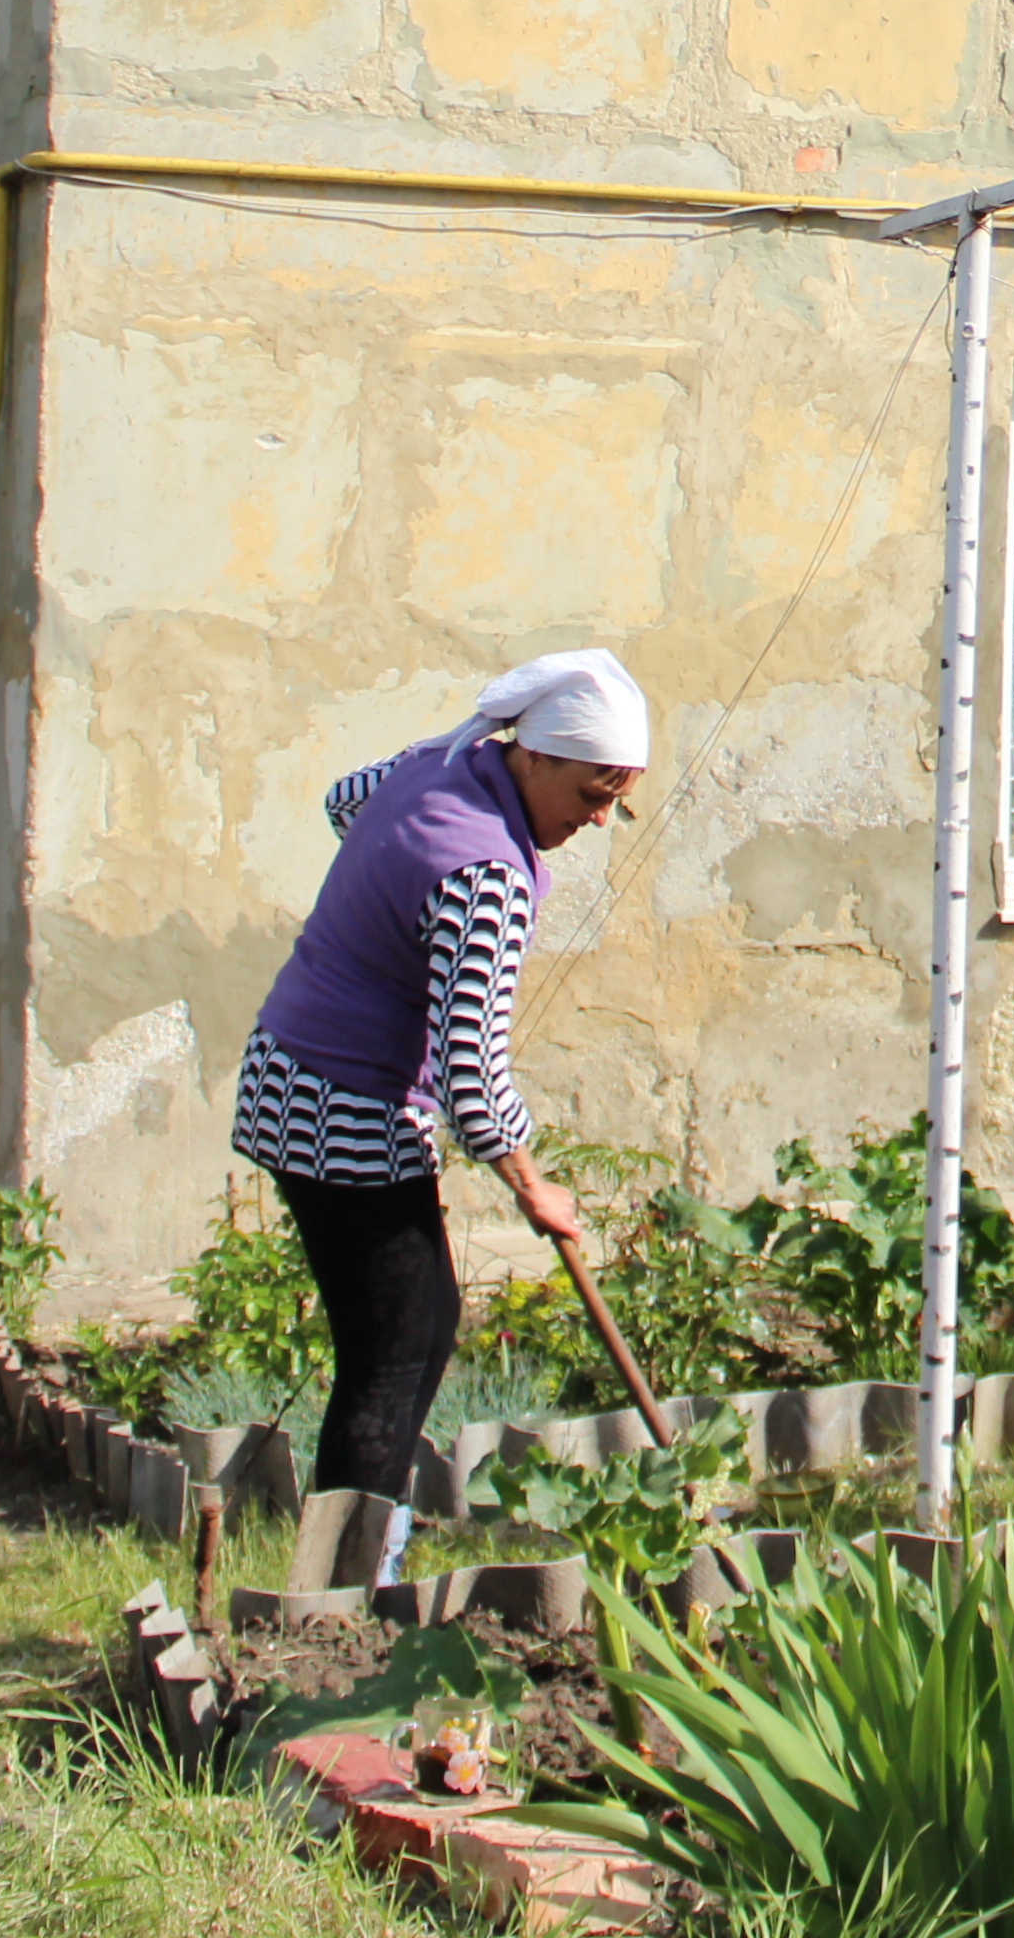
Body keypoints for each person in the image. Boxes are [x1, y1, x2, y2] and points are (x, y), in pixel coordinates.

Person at [230, 647, 646, 1571]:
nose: (596, 819)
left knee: (416, 1330)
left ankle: (357, 1563)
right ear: (533, 755)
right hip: (342, 1107)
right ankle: (345, 1587)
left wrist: (390, 909)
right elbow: (471, 1073)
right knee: (394, 1351)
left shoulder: (436, 767)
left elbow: (345, 801)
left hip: (287, 1073)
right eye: (590, 794)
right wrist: (533, 1188)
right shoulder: (487, 878)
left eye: (616, 803)